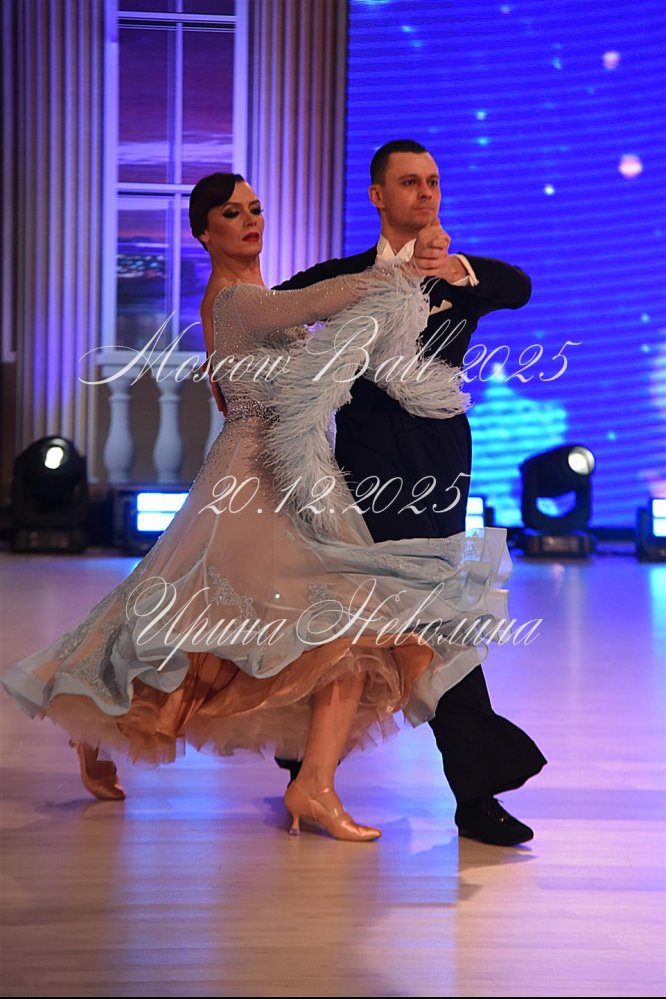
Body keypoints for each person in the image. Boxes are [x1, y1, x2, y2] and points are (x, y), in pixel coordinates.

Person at [2, 171, 512, 842]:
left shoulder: (258, 298)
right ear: (203, 233)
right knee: (255, 625)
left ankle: (305, 781)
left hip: (298, 477)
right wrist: (405, 269)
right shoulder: (238, 299)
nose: (250, 220)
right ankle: (106, 719)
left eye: (255, 208)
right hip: (254, 482)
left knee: (256, 628)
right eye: (231, 213)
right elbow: (321, 299)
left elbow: (300, 335)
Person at [267, 140, 547, 846]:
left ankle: (318, 768)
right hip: (361, 466)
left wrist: (459, 268)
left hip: (438, 464)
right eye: (410, 182)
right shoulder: (350, 276)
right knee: (368, 612)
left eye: (433, 181)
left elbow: (519, 287)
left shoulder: (460, 276)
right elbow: (277, 310)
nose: (426, 193)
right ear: (377, 195)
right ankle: (318, 766)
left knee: (427, 614)